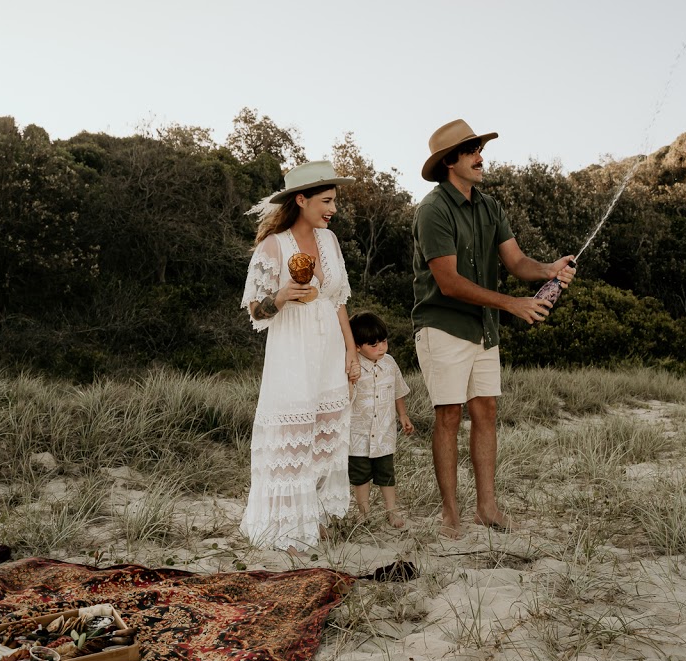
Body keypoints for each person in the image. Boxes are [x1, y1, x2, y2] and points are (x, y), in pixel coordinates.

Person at [412, 119, 577, 539]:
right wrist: (511, 304)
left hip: (482, 329)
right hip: (443, 326)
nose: (481, 157)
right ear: (450, 162)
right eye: (471, 151)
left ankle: (488, 508)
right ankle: (451, 516)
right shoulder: (433, 210)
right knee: (448, 416)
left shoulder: (490, 207)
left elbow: (517, 263)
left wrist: (550, 269)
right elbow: (448, 282)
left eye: (479, 150)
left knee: (486, 412)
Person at [240, 160, 362, 555]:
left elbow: (339, 301)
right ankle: (286, 526)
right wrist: (280, 296)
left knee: (325, 429)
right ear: (301, 199)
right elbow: (255, 312)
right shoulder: (273, 246)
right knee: (293, 432)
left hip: (328, 348)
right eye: (326, 201)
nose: (333, 209)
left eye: (334, 202)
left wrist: (351, 352)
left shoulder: (330, 242)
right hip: (292, 349)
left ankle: (313, 514)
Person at [347, 311, 414, 528]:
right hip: (358, 434)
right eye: (374, 345)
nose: (381, 348)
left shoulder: (390, 363)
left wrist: (402, 414)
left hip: (384, 431)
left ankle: (391, 510)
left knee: (386, 472)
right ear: (357, 346)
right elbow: (344, 398)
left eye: (384, 342)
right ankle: (363, 512)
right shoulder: (351, 364)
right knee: (360, 475)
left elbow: (398, 390)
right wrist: (351, 380)